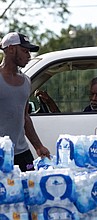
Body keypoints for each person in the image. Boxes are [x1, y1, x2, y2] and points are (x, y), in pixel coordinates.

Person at [0, 32, 50, 172]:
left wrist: (38, 146)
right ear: (10, 49)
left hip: (22, 153)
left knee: (30, 189)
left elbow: (25, 117)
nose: (28, 55)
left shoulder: (26, 81)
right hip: (1, 154)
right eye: (24, 50)